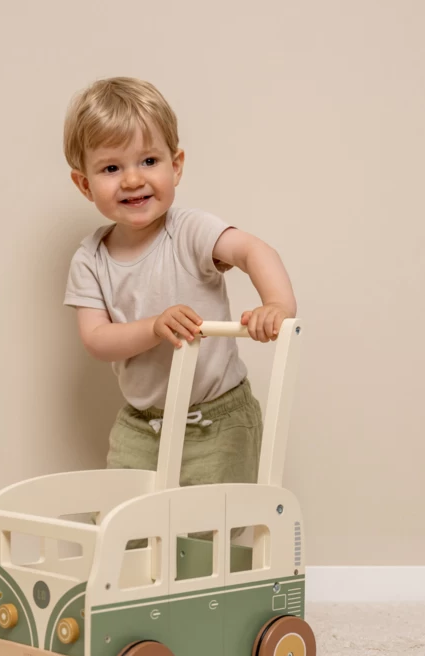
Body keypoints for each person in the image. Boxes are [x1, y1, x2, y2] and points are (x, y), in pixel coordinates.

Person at [62, 76, 297, 505]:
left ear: (176, 166)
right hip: (143, 423)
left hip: (216, 418)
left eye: (149, 160)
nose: (133, 179)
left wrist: (277, 304)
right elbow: (96, 339)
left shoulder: (188, 230)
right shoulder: (90, 259)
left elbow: (253, 251)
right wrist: (154, 326)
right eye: (112, 168)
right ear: (84, 184)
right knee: (123, 518)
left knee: (208, 526)